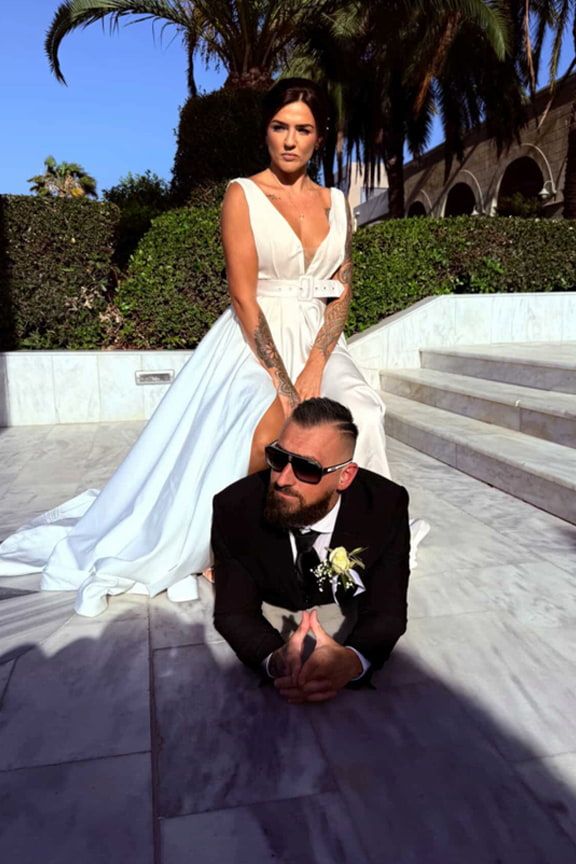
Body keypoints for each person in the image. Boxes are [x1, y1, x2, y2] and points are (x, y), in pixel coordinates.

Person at [0, 77, 425, 616]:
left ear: (320, 137)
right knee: (266, 421)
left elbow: (341, 290)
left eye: (302, 130)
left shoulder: (337, 203)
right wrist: (285, 383)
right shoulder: (242, 194)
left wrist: (317, 362)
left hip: (317, 337)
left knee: (360, 409)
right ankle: (238, 544)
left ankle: (354, 537)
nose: (290, 140)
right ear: (265, 131)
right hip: (254, 336)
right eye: (279, 127)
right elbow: (244, 298)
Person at [212, 398, 410, 701]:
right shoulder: (235, 508)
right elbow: (234, 611)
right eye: (278, 457)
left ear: (345, 476)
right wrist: (274, 659)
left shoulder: (384, 506)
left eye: (307, 468)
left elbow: (388, 610)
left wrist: (353, 661)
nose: (282, 479)